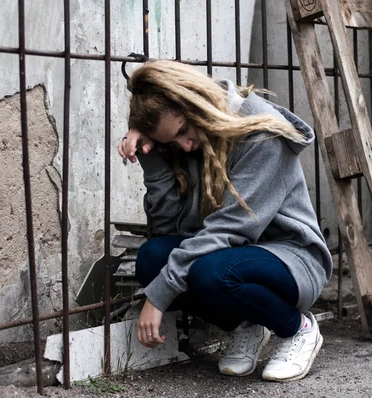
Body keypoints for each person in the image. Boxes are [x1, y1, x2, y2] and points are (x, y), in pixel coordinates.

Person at [117, 60, 332, 382]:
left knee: (211, 273)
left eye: (182, 133)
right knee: (152, 258)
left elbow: (231, 228)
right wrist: (152, 158)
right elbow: (168, 228)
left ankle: (298, 328)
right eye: (173, 142)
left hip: (290, 257)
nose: (186, 145)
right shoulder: (190, 139)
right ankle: (249, 324)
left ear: (195, 104)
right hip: (228, 252)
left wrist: (157, 296)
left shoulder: (263, 135)